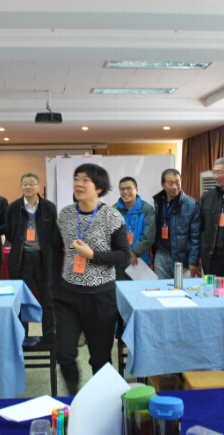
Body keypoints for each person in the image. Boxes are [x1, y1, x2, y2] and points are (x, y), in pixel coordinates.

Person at [55, 163, 131, 395]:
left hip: (100, 297)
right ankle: (73, 398)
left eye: (85, 180)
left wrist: (93, 255)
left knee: (100, 358)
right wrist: (53, 285)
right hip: (68, 296)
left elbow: (124, 256)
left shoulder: (111, 216)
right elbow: (55, 250)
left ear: (99, 187)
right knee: (64, 353)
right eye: (76, 178)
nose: (78, 184)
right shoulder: (65, 215)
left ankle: (102, 402)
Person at [5, 173, 60, 340]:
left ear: (38, 186)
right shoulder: (13, 208)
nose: (28, 187)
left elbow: (54, 232)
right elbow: (9, 233)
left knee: (47, 298)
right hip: (22, 259)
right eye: (25, 184)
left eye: (32, 183)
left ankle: (49, 336)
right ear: (20, 186)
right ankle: (24, 336)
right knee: (23, 299)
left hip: (44, 258)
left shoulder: (49, 207)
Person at [152, 169, 201, 279]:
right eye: (170, 183)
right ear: (162, 185)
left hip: (182, 258)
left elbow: (196, 236)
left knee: (184, 288)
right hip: (161, 255)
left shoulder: (192, 205)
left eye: (177, 182)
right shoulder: (158, 202)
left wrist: (193, 261)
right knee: (162, 288)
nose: (175, 186)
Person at [114, 176, 156, 280]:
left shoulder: (147, 209)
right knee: (120, 290)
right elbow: (111, 236)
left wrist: (134, 252)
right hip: (119, 263)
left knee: (142, 289)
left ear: (136, 190)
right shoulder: (114, 210)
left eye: (129, 188)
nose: (125, 192)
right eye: (122, 189)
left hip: (141, 262)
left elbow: (149, 236)